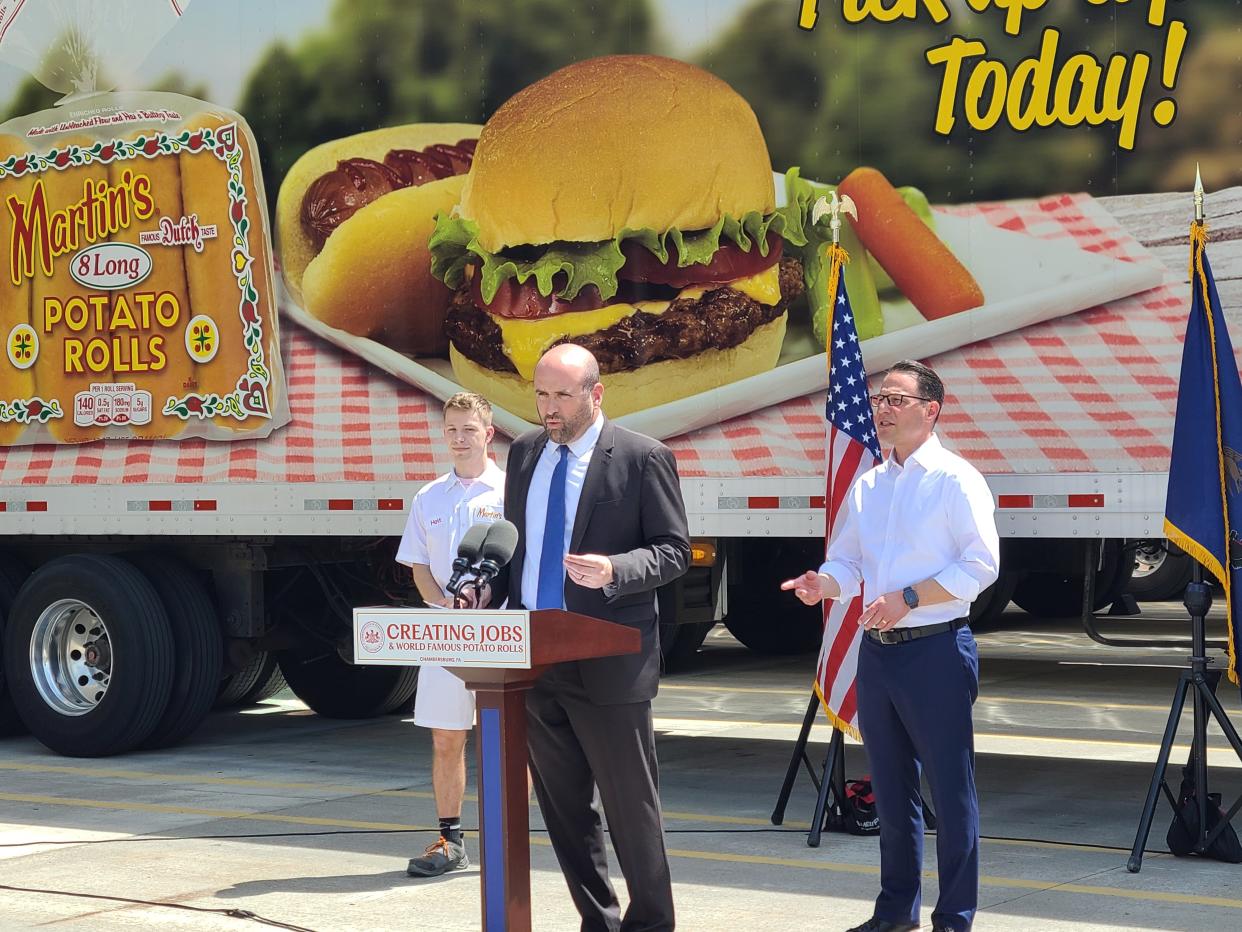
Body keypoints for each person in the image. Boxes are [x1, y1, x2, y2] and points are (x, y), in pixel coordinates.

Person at [781, 360, 999, 932]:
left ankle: (954, 917)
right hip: (877, 652)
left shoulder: (955, 479)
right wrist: (821, 584)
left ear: (931, 411)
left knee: (951, 795)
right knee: (891, 789)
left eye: (897, 399)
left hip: (936, 649)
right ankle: (895, 912)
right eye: (880, 398)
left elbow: (981, 565)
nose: (883, 408)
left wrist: (909, 595)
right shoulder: (871, 483)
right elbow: (848, 562)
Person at [483, 343, 689, 932]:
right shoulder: (524, 454)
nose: (548, 408)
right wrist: (488, 593)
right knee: (566, 812)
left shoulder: (642, 458)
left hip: (608, 658)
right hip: (535, 658)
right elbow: (520, 546)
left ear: (596, 394)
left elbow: (674, 551)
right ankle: (596, 920)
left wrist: (615, 570)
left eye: (562, 395)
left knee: (631, 810)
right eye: (541, 394)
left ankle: (650, 924)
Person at [395, 392, 505, 878]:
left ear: (489, 433)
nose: (460, 440)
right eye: (452, 431)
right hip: (444, 633)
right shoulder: (429, 497)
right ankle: (451, 840)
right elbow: (419, 566)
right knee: (446, 738)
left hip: (500, 633)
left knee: (505, 739)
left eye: (469, 430)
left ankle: (503, 837)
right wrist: (444, 606)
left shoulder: (509, 492)